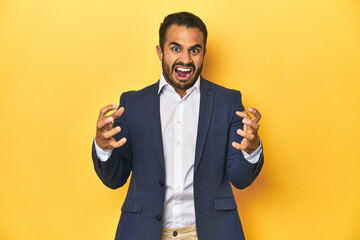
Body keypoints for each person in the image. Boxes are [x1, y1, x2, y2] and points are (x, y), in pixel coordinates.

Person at [92, 12, 264, 240]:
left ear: (204, 53)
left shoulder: (227, 101)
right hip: (145, 233)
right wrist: (103, 148)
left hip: (210, 232)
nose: (185, 59)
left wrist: (251, 150)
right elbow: (114, 179)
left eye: (194, 50)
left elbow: (240, 180)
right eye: (176, 49)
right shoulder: (132, 104)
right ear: (160, 52)